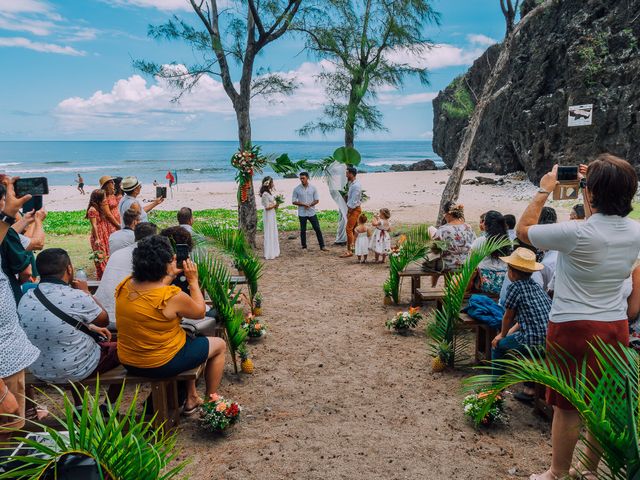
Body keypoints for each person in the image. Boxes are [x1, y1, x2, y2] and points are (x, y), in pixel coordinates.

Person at [516, 155, 640, 480]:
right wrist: (592, 189)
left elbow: (524, 230)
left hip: (572, 327)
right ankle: (587, 470)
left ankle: (557, 473)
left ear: (593, 192)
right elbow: (603, 221)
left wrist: (545, 188)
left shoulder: (575, 233)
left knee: (567, 407)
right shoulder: (635, 231)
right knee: (601, 403)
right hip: (615, 327)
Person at [115, 235, 226, 414]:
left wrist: (170, 274)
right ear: (165, 264)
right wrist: (193, 281)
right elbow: (199, 312)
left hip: (129, 360)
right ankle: (211, 399)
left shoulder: (125, 285)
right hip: (160, 362)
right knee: (219, 345)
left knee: (188, 337)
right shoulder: (172, 295)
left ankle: (191, 397)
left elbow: (152, 293)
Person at [18, 249, 119, 387]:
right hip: (75, 370)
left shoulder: (27, 297)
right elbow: (104, 320)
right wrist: (86, 292)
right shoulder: (77, 296)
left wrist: (90, 327)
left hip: (39, 370)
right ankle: (110, 405)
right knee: (122, 349)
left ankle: (78, 406)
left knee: (72, 344)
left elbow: (56, 324)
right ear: (69, 269)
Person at [0, 176, 40, 441]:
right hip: (4, 352)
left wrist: (11, 215)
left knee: (16, 419)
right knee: (11, 423)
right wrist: (8, 214)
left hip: (9, 346)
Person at [490, 248, 551, 401]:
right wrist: (506, 334)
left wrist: (501, 336)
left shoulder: (515, 287)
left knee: (497, 346)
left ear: (512, 272)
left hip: (531, 343)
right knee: (518, 339)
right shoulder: (536, 287)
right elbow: (525, 320)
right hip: (548, 341)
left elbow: (508, 317)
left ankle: (496, 389)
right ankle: (529, 390)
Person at [95, 222, 158, 328]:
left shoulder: (117, 253)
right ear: (154, 238)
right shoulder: (148, 257)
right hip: (121, 319)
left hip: (100, 314)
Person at [0, 184, 34, 302]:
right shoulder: (8, 234)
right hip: (7, 300)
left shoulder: (7, 232)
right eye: (4, 199)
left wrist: (25, 220)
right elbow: (26, 272)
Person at [427, 202, 476, 284]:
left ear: (448, 214)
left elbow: (435, 249)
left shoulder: (443, 229)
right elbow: (474, 244)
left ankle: (433, 285)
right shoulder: (468, 227)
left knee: (436, 258)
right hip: (466, 264)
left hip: (448, 265)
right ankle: (446, 286)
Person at [470, 211, 511, 295]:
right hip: (503, 282)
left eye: (484, 221)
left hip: (483, 283)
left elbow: (470, 263)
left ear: (486, 225)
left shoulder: (480, 241)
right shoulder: (507, 242)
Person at [292, 172, 326, 251]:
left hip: (311, 212)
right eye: (300, 178)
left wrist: (310, 205)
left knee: (317, 228)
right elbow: (293, 201)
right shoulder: (296, 189)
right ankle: (304, 247)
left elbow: (317, 200)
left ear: (307, 178)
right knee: (303, 230)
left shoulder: (313, 188)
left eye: (303, 178)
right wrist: (304, 204)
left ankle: (322, 246)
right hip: (302, 213)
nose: (302, 180)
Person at [86, 189, 111, 279]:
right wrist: (97, 238)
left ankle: (105, 276)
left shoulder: (99, 207)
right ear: (99, 198)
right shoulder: (92, 210)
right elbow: (94, 225)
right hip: (98, 235)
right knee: (100, 257)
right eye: (104, 197)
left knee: (105, 255)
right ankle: (102, 277)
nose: (105, 199)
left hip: (103, 234)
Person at [341, 166, 362, 258]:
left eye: (347, 173)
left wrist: (349, 210)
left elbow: (354, 200)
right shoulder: (352, 184)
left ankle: (349, 251)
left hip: (354, 210)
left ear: (351, 174)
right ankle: (356, 248)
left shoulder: (356, 185)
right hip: (354, 209)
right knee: (354, 229)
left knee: (349, 229)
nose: (346, 175)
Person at [260, 176, 280, 260]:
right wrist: (275, 204)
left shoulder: (269, 193)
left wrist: (277, 205)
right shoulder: (265, 194)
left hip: (272, 213)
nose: (273, 184)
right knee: (269, 231)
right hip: (268, 214)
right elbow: (267, 207)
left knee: (273, 231)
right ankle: (269, 253)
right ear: (268, 183)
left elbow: (271, 205)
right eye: (272, 182)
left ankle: (274, 251)